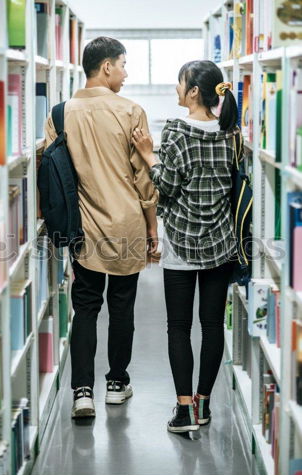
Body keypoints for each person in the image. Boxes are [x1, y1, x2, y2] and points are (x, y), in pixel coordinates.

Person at [44, 37, 158, 418]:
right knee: (122, 308)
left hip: (83, 229)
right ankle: (116, 383)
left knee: (86, 309)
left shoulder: (60, 114)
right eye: (123, 65)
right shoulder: (131, 112)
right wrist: (153, 232)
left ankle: (81, 392)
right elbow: (145, 181)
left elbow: (53, 174)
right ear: (106, 66)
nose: (126, 74)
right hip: (127, 226)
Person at [132, 60, 241, 434]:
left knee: (178, 327)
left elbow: (167, 185)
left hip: (180, 244)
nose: (176, 89)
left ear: (194, 91)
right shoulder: (231, 132)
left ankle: (183, 412)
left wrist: (149, 155)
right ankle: (205, 405)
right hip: (221, 244)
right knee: (212, 326)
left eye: (180, 84)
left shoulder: (177, 132)